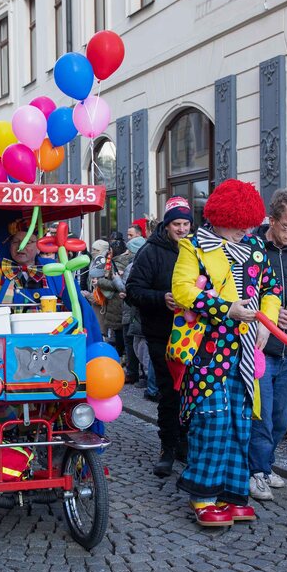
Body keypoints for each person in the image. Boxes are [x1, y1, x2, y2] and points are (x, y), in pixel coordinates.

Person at [171, 179, 281, 527]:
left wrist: (268, 322)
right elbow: (183, 290)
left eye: (247, 224)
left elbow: (271, 288)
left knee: (240, 422)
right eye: (238, 224)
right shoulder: (194, 247)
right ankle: (203, 495)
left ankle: (232, 494)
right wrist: (226, 308)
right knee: (212, 421)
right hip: (207, 351)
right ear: (221, 218)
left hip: (246, 352)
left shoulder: (256, 249)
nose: (244, 230)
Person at [248, 189, 287, 502]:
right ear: (272, 220)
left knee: (281, 418)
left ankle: (265, 464)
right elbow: (243, 297)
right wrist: (269, 311)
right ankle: (256, 471)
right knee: (262, 415)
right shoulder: (254, 250)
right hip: (263, 349)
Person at [126, 196, 192, 477]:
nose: (181, 229)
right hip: (161, 334)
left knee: (191, 392)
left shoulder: (196, 249)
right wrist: (159, 298)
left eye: (186, 223)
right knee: (169, 392)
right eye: (176, 223)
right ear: (166, 225)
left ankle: (185, 444)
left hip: (192, 335)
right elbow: (132, 291)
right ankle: (167, 445)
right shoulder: (150, 252)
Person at [95, 239, 130, 356]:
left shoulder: (118, 263)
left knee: (118, 332)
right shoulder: (127, 261)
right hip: (120, 303)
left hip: (117, 303)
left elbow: (115, 284)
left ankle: (120, 356)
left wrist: (100, 282)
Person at [121, 236, 146, 384]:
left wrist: (117, 281)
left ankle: (143, 377)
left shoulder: (133, 266)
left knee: (137, 345)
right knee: (136, 345)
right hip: (132, 311)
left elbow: (127, 287)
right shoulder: (134, 264)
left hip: (134, 311)